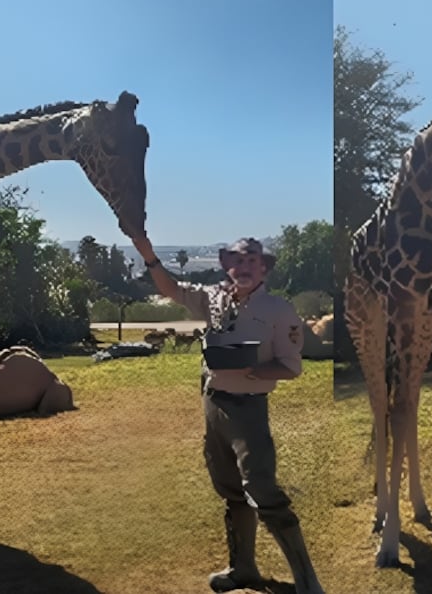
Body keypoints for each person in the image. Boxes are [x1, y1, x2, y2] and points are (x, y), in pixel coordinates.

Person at [131, 234, 324, 594]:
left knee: (262, 490)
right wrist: (147, 253)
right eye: (236, 260)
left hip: (249, 408)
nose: (243, 267)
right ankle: (243, 568)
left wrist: (253, 370)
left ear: (263, 268)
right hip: (213, 404)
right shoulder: (213, 298)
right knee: (231, 490)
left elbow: (291, 366)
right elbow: (171, 289)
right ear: (226, 265)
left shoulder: (278, 311)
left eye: (251, 260)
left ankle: (307, 581)